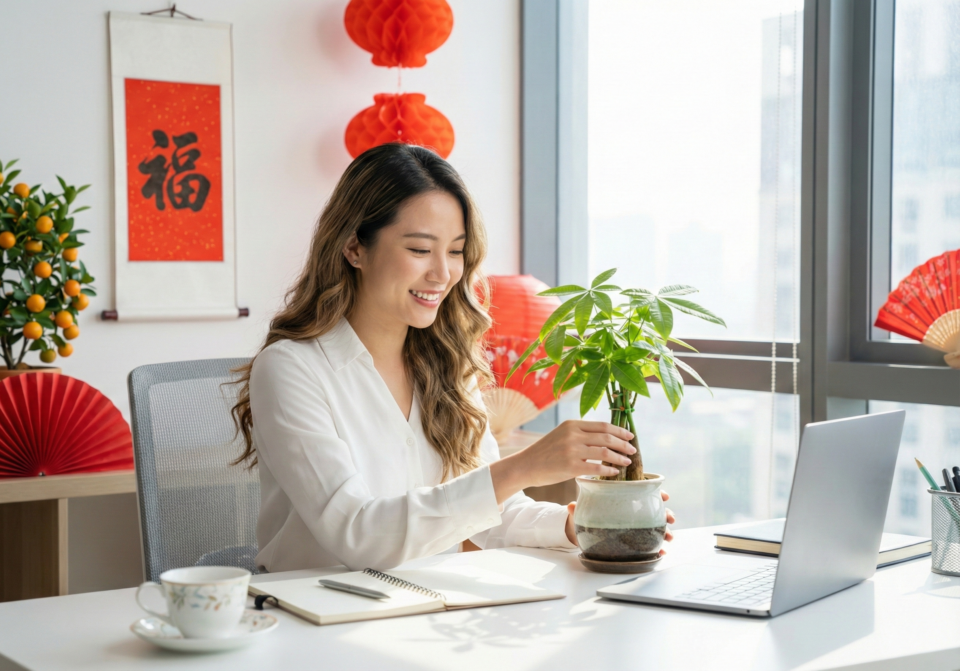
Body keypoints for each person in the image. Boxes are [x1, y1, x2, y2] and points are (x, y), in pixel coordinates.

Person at [231, 143, 674, 572]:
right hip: (312, 619)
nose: (443, 274)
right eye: (420, 250)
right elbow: (357, 535)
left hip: (422, 612)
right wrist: (522, 466)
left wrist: (578, 524)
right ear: (354, 248)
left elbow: (486, 514)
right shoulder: (292, 369)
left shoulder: (447, 366)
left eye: (456, 251)